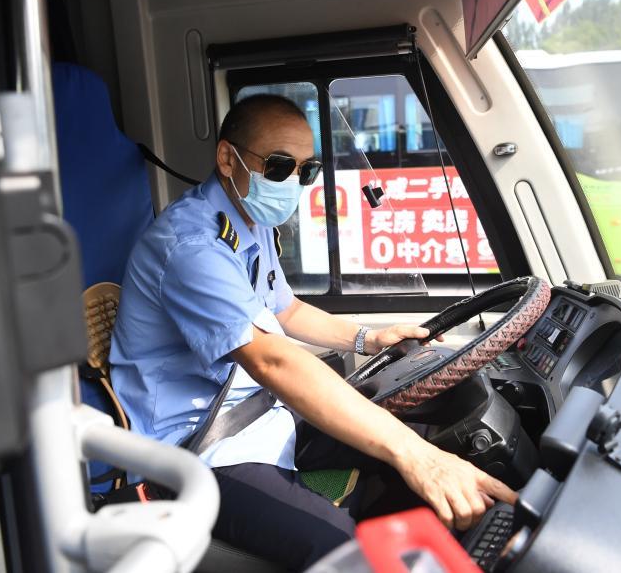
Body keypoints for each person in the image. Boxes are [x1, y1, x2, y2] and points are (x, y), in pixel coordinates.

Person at [110, 94, 515, 570]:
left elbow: (288, 308)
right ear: (227, 158)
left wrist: (369, 338)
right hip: (202, 451)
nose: (293, 183)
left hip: (266, 413)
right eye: (279, 166)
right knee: (342, 548)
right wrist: (415, 457)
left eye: (306, 170)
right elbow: (272, 360)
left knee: (440, 435)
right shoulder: (191, 247)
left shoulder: (249, 221)